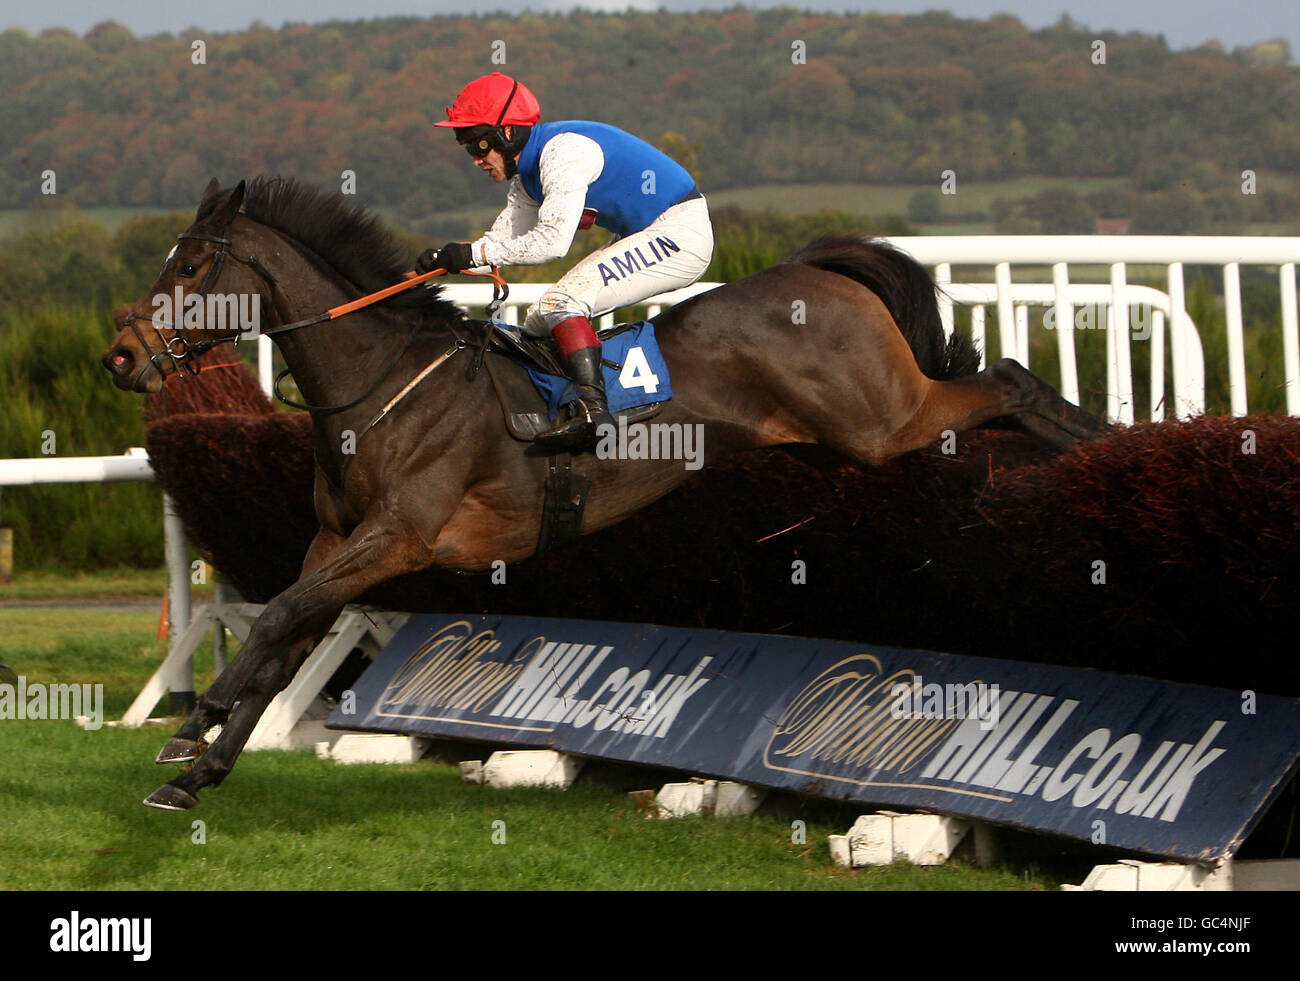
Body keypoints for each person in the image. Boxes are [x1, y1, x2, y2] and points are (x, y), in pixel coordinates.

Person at [417, 72, 714, 451]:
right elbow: (498, 245)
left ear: (508, 133)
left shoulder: (563, 153)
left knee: (563, 303)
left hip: (680, 233)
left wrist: (474, 254)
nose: (475, 159)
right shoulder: (527, 180)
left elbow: (552, 243)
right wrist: (446, 259)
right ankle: (562, 405)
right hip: (649, 233)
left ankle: (595, 415)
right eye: (466, 147)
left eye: (478, 144)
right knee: (539, 318)